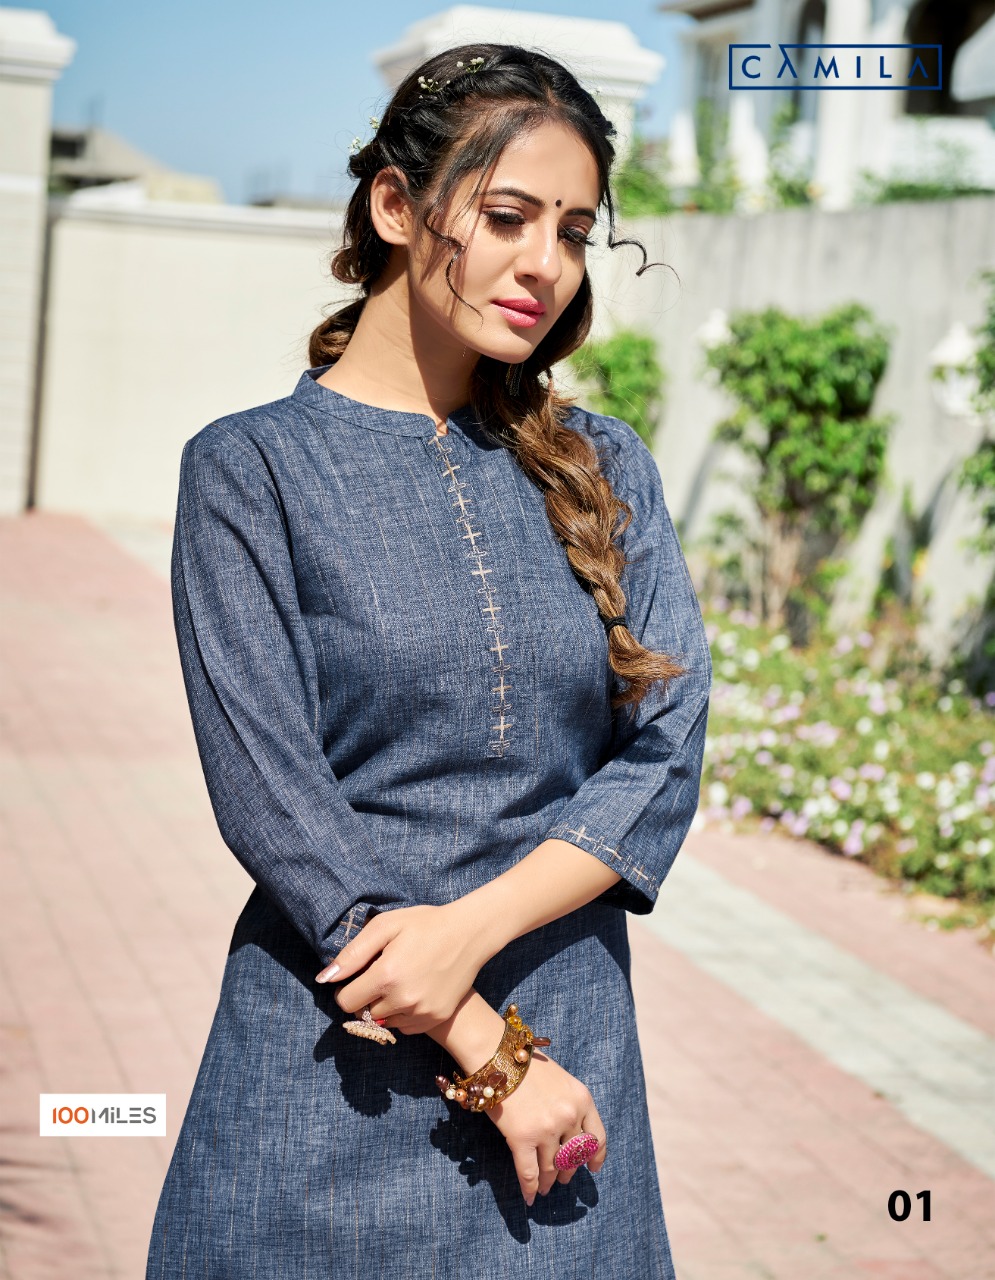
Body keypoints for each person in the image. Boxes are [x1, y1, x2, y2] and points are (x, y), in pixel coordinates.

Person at [145, 41, 711, 1280]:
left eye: (573, 231)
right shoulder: (249, 471)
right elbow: (272, 796)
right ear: (397, 207)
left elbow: (664, 751)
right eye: (507, 217)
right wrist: (480, 1041)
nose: (545, 263)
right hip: (332, 1059)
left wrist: (473, 934)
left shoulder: (606, 467)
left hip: (568, 1049)